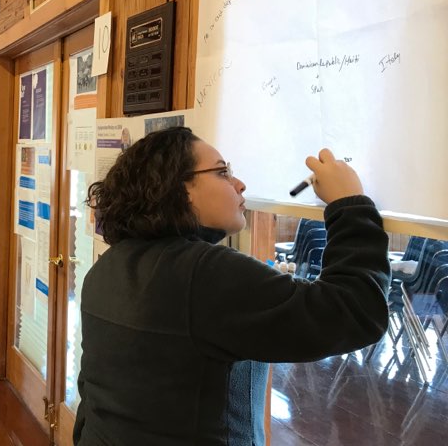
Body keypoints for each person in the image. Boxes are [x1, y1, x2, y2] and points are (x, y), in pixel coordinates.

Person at [73, 127, 391, 446]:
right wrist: (350, 204)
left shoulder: (108, 266)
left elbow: (91, 393)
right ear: (177, 188)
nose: (240, 184)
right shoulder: (203, 273)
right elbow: (355, 311)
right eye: (223, 171)